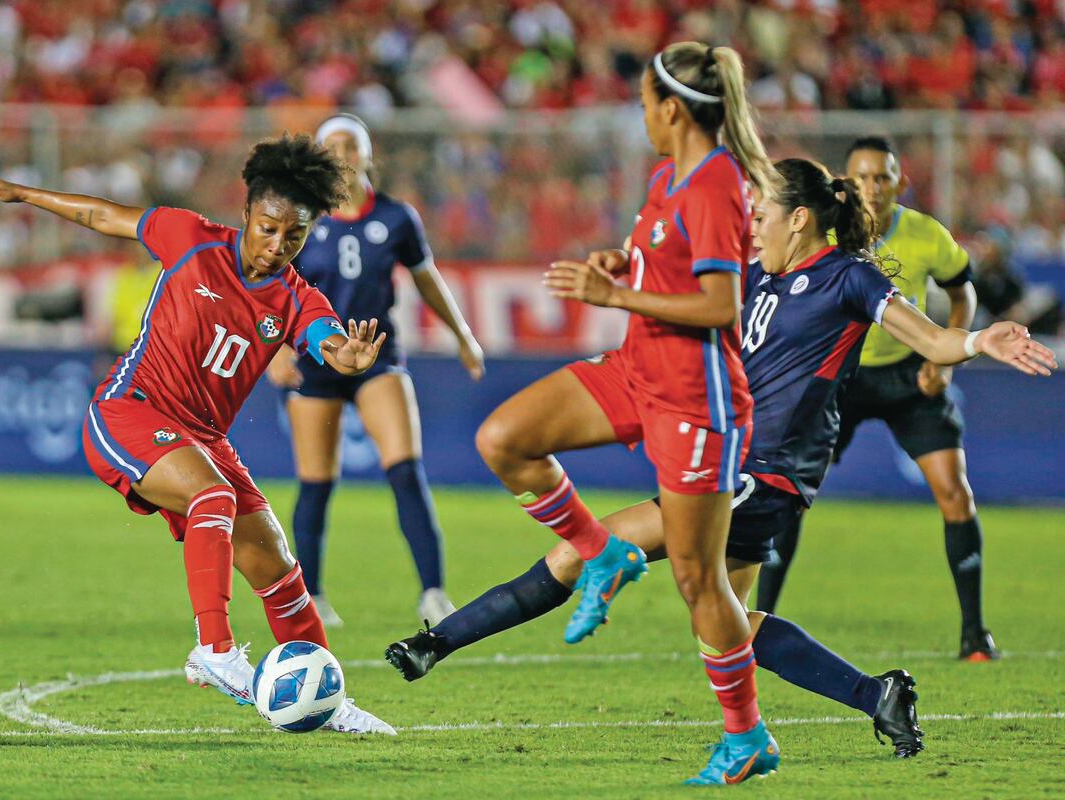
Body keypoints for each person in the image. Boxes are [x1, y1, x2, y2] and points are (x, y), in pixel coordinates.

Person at [386, 159, 1056, 763]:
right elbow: (687, 279)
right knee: (730, 622)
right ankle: (876, 694)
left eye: (762, 213)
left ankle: (435, 644)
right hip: (730, 457)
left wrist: (980, 339)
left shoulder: (848, 276)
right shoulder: (756, 272)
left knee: (584, 554)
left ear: (800, 219)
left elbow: (932, 339)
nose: (752, 223)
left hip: (762, 472)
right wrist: (626, 264)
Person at [0, 135, 396, 734]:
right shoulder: (190, 239)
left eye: (293, 237)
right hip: (129, 412)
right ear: (246, 213)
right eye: (268, 228)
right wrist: (22, 193)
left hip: (203, 438)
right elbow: (102, 214)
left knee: (279, 567)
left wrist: (352, 358)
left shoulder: (296, 297)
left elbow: (332, 345)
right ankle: (214, 651)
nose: (276, 246)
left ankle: (328, 699)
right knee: (212, 496)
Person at [459, 43, 779, 785]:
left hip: (699, 402)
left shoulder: (714, 183)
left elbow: (720, 304)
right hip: (638, 370)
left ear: (671, 108)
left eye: (642, 103)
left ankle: (747, 735)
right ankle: (600, 551)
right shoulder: (669, 175)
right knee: (505, 439)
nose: (639, 115)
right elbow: (665, 267)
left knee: (702, 583)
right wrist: (622, 265)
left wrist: (615, 297)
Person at [754, 137, 999, 661]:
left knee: (955, 493)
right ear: (847, 183)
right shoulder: (829, 235)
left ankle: (975, 634)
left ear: (898, 183)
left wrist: (944, 355)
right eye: (862, 177)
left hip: (910, 379)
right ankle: (760, 618)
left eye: (882, 178)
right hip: (840, 380)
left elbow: (963, 291)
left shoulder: (925, 234)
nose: (872, 187)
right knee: (783, 498)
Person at [266, 113, 484, 627]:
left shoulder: (398, 217)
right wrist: (274, 348)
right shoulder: (302, 216)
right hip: (316, 357)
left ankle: (433, 593)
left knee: (405, 469)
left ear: (367, 155)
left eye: (351, 144)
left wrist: (463, 336)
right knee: (316, 481)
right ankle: (311, 597)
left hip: (377, 356)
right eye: (333, 145)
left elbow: (427, 280)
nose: (342, 153)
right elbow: (272, 288)